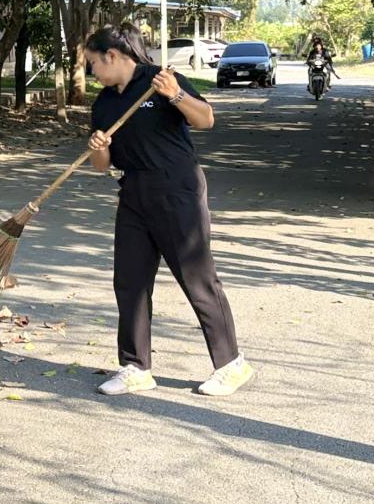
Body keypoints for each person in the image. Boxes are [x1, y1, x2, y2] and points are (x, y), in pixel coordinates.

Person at [84, 22, 254, 398]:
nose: (91, 71)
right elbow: (101, 166)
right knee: (129, 281)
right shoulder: (105, 102)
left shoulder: (161, 79)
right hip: (133, 191)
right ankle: (135, 367)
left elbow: (205, 119)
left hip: (177, 187)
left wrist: (176, 95)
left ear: (112, 56)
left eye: (93, 63)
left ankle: (231, 364)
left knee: (196, 276)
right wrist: (98, 146)